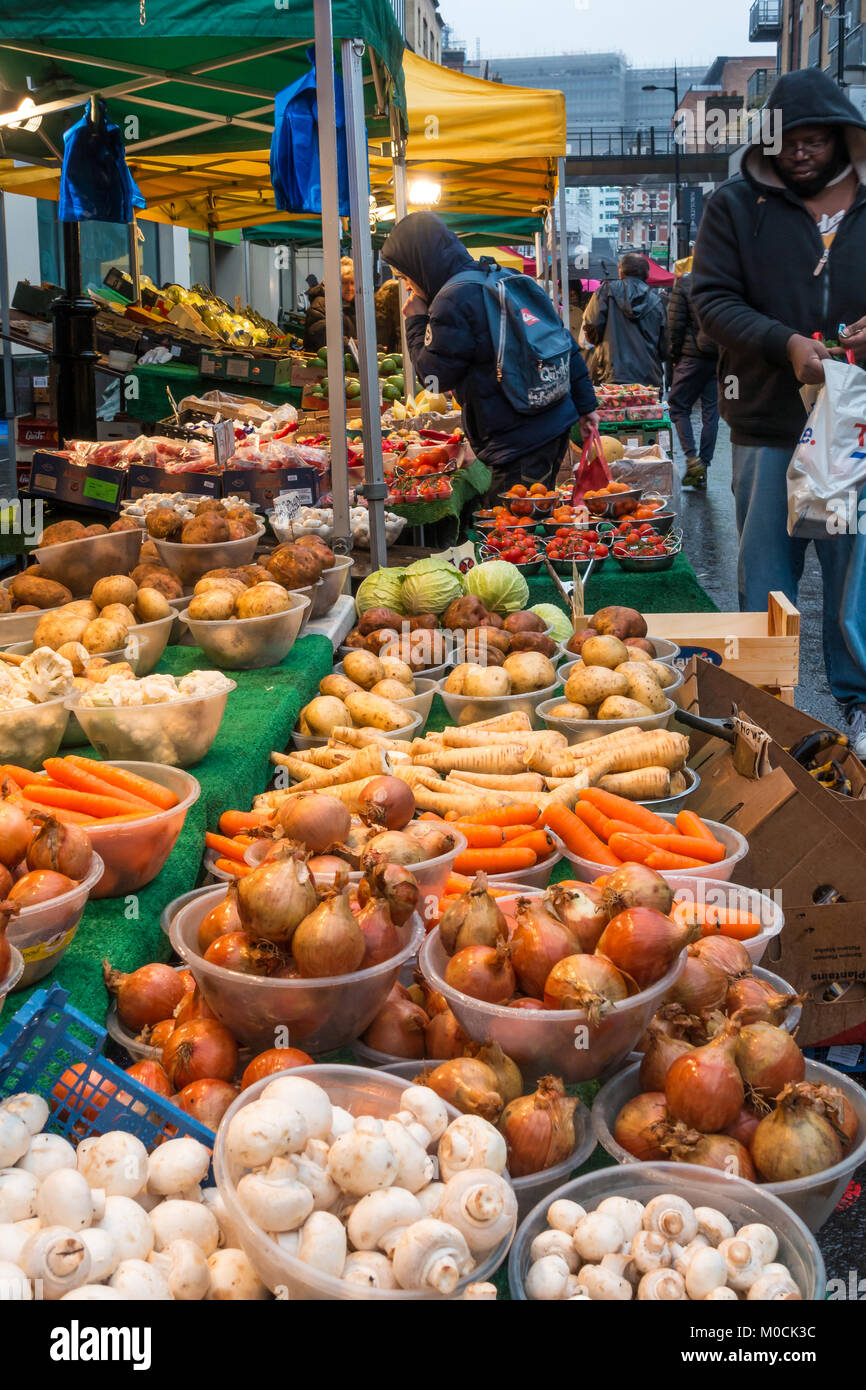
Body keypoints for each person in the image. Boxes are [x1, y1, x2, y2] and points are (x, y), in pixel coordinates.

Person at [691, 66, 866, 750]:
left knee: (852, 573)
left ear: (842, 138)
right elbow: (711, 300)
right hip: (766, 420)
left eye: (816, 139)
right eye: (788, 140)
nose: (800, 151)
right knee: (767, 574)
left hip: (849, 421)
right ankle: (766, 706)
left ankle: (857, 704)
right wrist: (785, 342)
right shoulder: (734, 206)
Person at [381, 212, 599, 495]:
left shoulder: (452, 300)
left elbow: (434, 381)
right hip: (551, 422)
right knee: (528, 518)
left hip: (518, 439)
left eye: (405, 276)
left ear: (422, 265)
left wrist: (415, 322)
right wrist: (586, 407)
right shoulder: (504, 276)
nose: (408, 286)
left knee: (511, 530)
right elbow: (564, 344)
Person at [581, 252, 667, 388]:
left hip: (610, 371)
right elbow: (664, 344)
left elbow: (591, 324)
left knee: (611, 408)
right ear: (646, 274)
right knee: (645, 409)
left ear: (620, 271)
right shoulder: (657, 301)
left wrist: (598, 343)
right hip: (648, 374)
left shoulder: (605, 291)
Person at [666, 268, 719, 490]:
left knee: (678, 406)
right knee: (711, 411)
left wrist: (673, 355)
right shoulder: (723, 279)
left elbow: (675, 324)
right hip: (717, 356)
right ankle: (703, 465)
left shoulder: (686, 283)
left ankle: (692, 458)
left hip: (691, 356)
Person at [303, 256, 356, 353]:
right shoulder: (320, 304)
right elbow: (329, 340)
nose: (350, 287)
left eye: (353, 283)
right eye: (344, 283)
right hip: (324, 367)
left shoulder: (355, 307)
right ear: (334, 282)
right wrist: (362, 346)